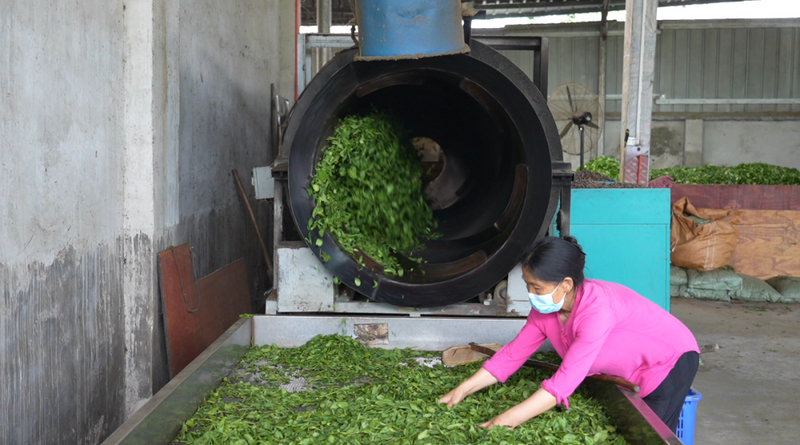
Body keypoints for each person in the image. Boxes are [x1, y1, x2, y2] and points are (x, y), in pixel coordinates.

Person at [439, 236, 699, 433]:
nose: (531, 293)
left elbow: (563, 383)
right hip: (630, 367)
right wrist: (462, 389)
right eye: (528, 284)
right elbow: (511, 355)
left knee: (648, 434)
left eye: (537, 287)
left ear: (566, 284)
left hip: (669, 362)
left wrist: (505, 421)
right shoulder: (545, 310)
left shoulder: (597, 310)